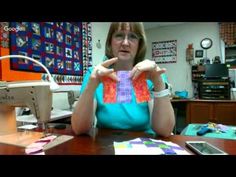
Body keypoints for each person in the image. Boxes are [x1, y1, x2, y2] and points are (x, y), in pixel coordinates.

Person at [72, 22, 175, 137]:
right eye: (119, 35)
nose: (125, 43)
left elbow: (164, 131)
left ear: (139, 44)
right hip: (104, 146)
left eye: (132, 37)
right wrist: (91, 86)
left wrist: (158, 83)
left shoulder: (151, 75)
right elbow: (79, 129)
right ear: (110, 42)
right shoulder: (96, 74)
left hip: (143, 145)